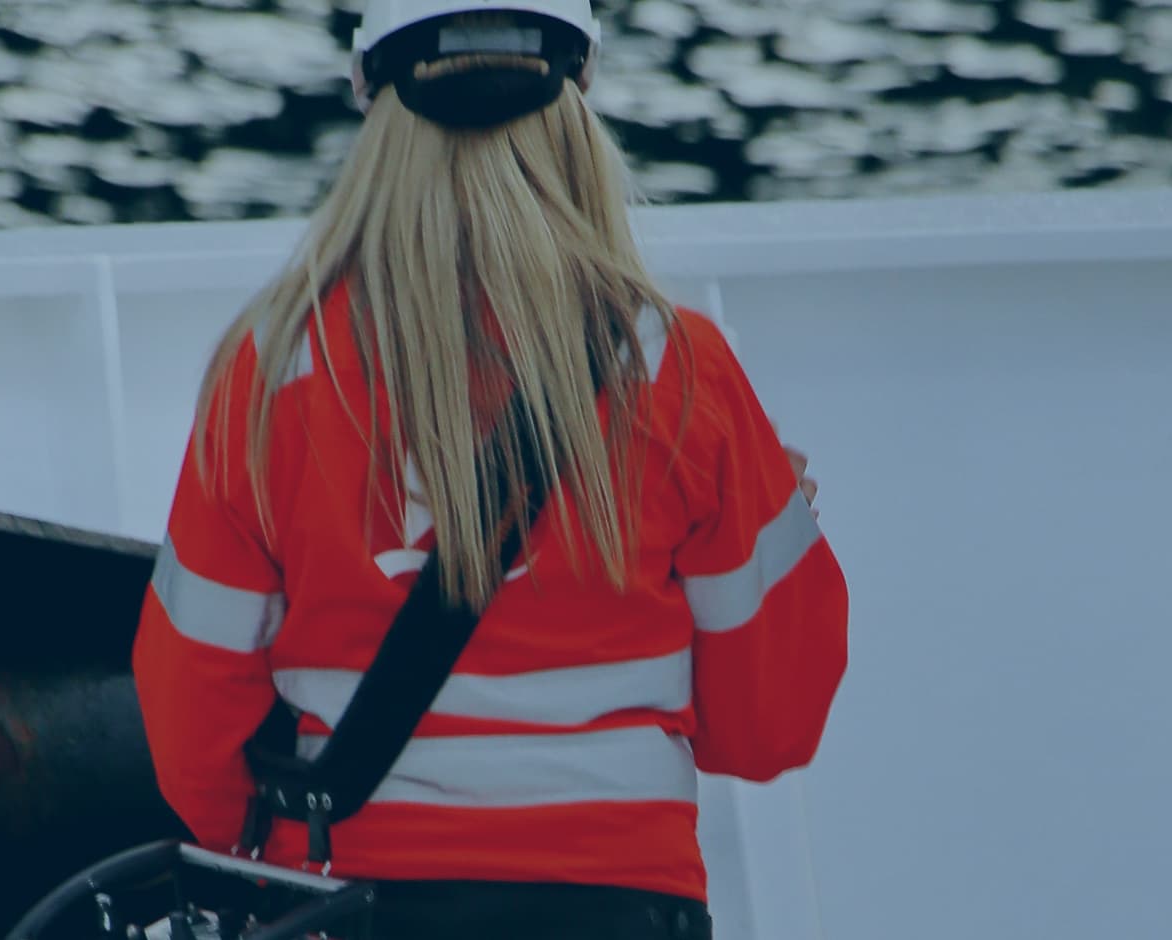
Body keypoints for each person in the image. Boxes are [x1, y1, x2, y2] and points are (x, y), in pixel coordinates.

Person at [132, 1, 851, 937]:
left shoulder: (270, 372)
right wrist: (770, 504)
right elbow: (769, 726)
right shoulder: (678, 373)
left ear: (371, 98)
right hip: (623, 905)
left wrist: (266, 852)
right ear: (579, 94)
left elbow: (190, 725)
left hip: (354, 902)